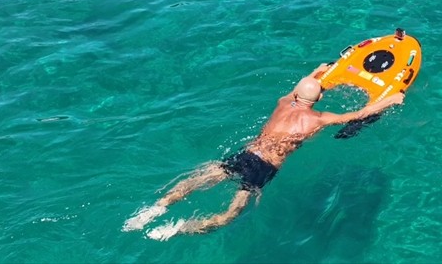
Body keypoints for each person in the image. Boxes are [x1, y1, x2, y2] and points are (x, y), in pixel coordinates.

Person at [122, 63, 405, 240]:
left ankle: (154, 210)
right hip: (264, 168)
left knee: (196, 182)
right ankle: (178, 229)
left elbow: (299, 89)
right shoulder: (318, 119)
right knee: (230, 214)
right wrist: (391, 98)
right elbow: (361, 113)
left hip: (246, 154)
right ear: (319, 98)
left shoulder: (283, 102)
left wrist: (317, 72)